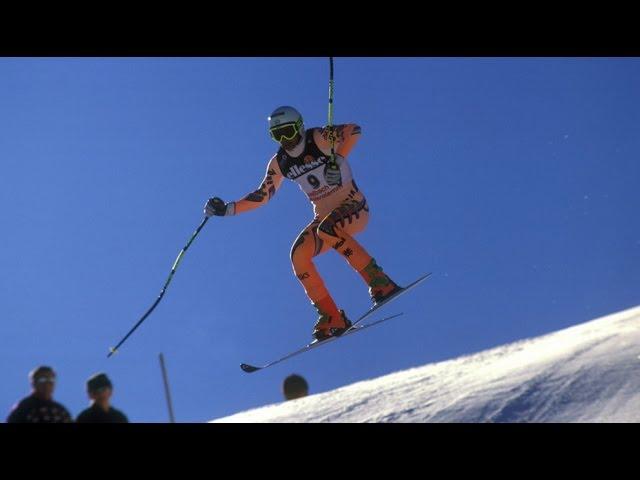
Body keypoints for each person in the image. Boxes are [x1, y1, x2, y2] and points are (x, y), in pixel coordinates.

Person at [204, 106, 401, 341]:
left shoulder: (318, 138)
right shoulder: (280, 162)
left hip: (353, 207)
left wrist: (337, 159)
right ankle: (331, 316)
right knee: (298, 255)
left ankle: (380, 282)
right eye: (279, 135)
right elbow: (263, 195)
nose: (286, 140)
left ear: (299, 127)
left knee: (327, 229)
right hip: (325, 219)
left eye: (288, 131)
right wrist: (227, 209)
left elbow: (354, 130)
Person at [6, 365, 73, 423]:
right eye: (42, 379)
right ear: (33, 383)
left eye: (51, 380)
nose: (47, 383)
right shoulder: (24, 408)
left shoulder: (60, 411)